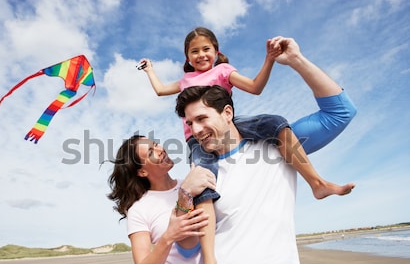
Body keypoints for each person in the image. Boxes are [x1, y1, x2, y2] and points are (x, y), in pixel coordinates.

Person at [139, 28, 356, 264]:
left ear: (227, 112)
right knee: (203, 191)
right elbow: (188, 246)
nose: (195, 130)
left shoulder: (278, 145)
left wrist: (296, 60)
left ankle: (318, 183)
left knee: (275, 122)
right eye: (189, 122)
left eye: (203, 118)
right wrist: (185, 195)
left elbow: (341, 112)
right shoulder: (200, 173)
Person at [138, 26, 355, 201]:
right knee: (202, 174)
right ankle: (205, 233)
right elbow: (160, 90)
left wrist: (271, 59)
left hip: (234, 126)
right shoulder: (185, 81)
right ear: (187, 58)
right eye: (194, 52)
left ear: (215, 52)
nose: (201, 55)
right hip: (195, 141)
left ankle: (317, 183)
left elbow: (254, 87)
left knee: (275, 123)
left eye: (206, 49)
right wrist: (150, 70)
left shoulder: (223, 71)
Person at [107, 135, 215, 264]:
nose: (160, 149)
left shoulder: (191, 184)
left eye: (156, 144)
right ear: (142, 171)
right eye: (151, 151)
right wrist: (169, 236)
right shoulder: (139, 209)